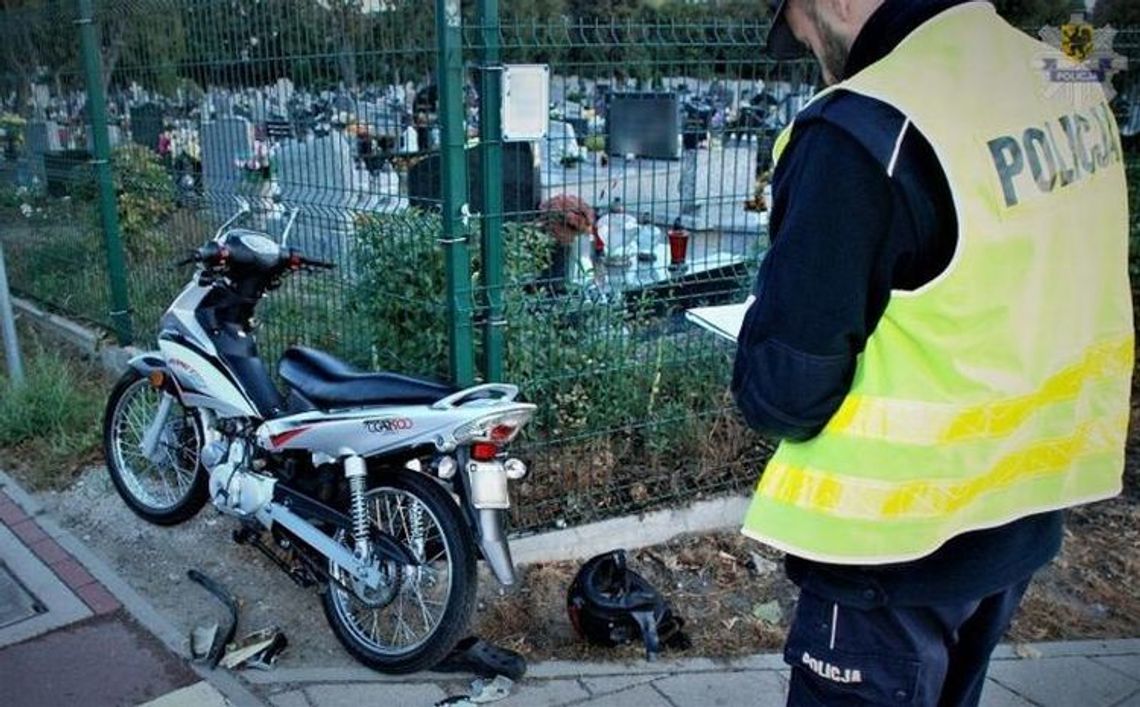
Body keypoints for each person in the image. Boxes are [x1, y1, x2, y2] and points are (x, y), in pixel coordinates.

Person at [731, 1, 1132, 705]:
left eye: (804, 31)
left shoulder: (862, 129)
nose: (817, 61)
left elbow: (785, 393)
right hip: (1016, 513)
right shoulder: (1061, 76)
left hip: (890, 550)